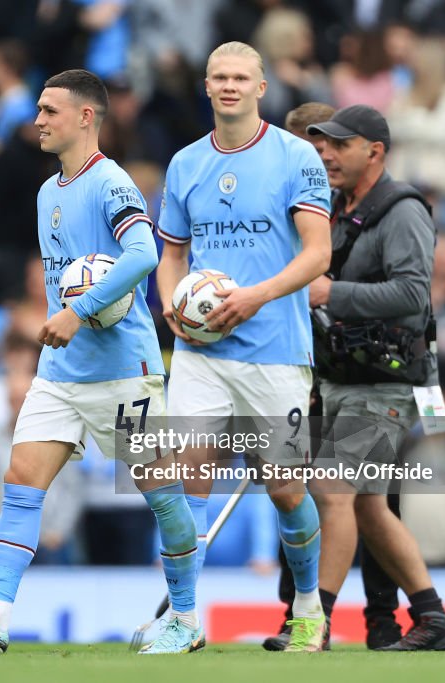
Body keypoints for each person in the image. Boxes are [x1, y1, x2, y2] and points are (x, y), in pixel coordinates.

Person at [0, 68, 204, 655]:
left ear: (85, 117)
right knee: (22, 478)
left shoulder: (113, 183)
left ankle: (184, 617)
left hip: (124, 372)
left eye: (49, 110)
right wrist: (63, 316)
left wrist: (81, 311)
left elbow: (143, 254)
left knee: (162, 493)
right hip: (60, 373)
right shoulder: (47, 191)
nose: (37, 121)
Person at [155, 41, 332, 652]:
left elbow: (318, 253)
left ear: (261, 88)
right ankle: (182, 619)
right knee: (187, 481)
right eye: (219, 77)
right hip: (204, 354)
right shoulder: (184, 164)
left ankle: (308, 608)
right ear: (206, 86)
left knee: (284, 487)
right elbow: (172, 253)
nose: (229, 85)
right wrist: (173, 304)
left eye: (241, 77)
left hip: (277, 349)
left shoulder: (298, 156)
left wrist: (256, 296)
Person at [305, 104, 445, 650]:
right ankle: (434, 617)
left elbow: (413, 296)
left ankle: (314, 623)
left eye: (339, 145)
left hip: (387, 381)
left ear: (375, 151)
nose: (327, 154)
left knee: (334, 490)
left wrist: (331, 292)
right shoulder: (332, 207)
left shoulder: (403, 210)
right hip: (342, 376)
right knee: (368, 504)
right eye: (324, 145)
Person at [261, 101, 406, 651]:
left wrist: (330, 292)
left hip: (370, 375)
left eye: (324, 149)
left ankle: (375, 619)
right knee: (308, 495)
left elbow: (407, 296)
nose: (317, 159)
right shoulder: (315, 207)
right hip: (309, 372)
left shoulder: (376, 208)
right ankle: (307, 615)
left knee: (364, 498)